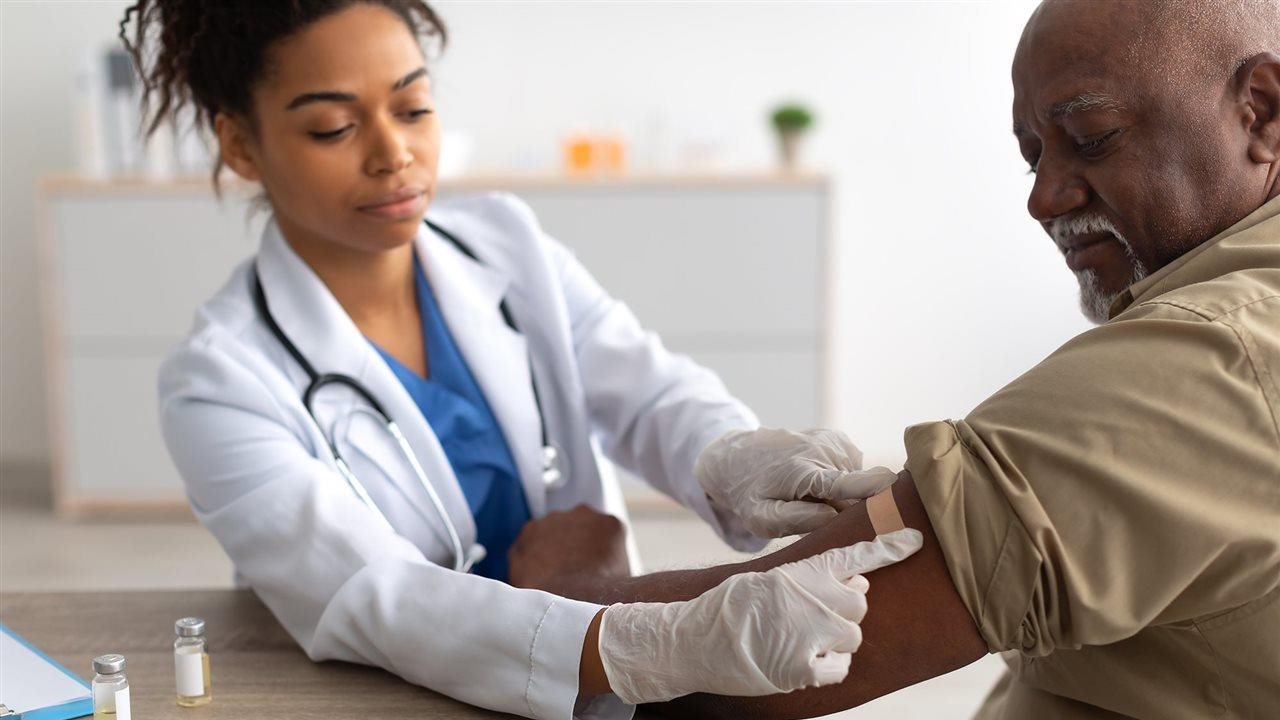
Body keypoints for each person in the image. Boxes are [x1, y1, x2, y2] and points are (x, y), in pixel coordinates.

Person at [125, 2, 922, 718]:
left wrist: (731, 457)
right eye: (334, 127)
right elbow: (373, 597)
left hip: (593, 647)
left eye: (413, 106)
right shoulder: (219, 384)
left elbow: (641, 388)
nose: (394, 153)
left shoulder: (504, 244)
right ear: (240, 145)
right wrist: (653, 644)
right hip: (402, 694)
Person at [508, 1, 1280, 717]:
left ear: (1264, 113)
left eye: (1092, 139)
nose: (1043, 198)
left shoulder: (1215, 353)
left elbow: (757, 664)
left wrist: (560, 589)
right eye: (1032, 155)